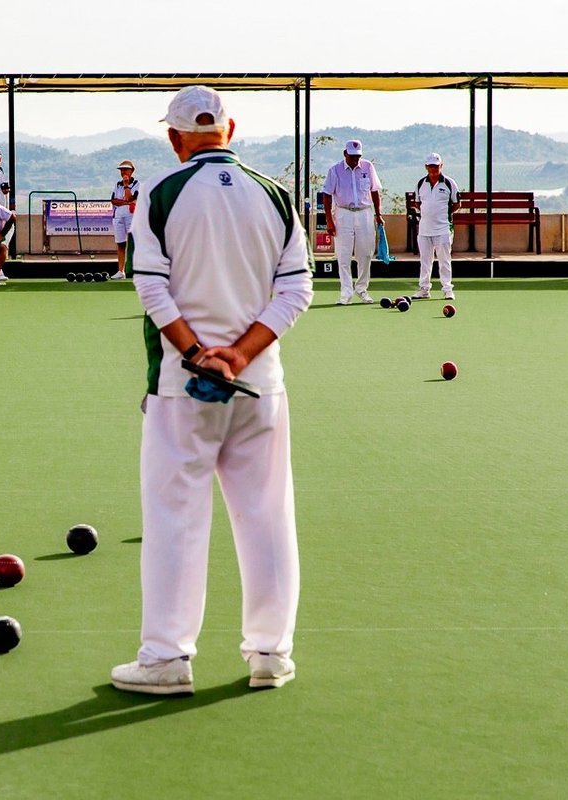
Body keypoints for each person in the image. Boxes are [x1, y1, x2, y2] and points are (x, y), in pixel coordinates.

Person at [111, 86, 313, 696]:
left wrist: (200, 355)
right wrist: (242, 355)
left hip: (183, 387)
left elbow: (150, 287)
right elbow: (297, 289)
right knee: (268, 517)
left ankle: (166, 659)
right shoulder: (273, 193)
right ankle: (271, 654)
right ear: (231, 129)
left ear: (175, 138)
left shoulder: (160, 192)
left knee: (175, 519)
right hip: (260, 387)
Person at [321, 138, 382, 305]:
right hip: (343, 213)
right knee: (343, 255)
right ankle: (346, 292)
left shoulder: (368, 167)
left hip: (364, 212)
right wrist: (329, 220)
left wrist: (378, 214)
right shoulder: (335, 170)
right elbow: (326, 195)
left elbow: (375, 191)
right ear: (345, 154)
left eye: (358, 156)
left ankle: (361, 289)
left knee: (366, 254)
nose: (355, 159)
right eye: (352, 156)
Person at [410, 153, 459, 300]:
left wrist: (443, 215)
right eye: (431, 166)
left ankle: (447, 289)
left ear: (441, 166)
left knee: (444, 260)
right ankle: (424, 289)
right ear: (426, 167)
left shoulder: (449, 183)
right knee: (425, 261)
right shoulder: (420, 183)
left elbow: (456, 204)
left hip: (443, 228)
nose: (434, 169)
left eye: (436, 166)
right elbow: (417, 203)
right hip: (424, 229)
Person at [110, 159, 139, 279]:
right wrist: (126, 202)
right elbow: (113, 200)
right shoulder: (117, 184)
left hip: (131, 215)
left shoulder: (136, 184)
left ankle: (135, 269)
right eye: (122, 170)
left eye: (126, 169)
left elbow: (130, 198)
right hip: (118, 215)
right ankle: (120, 271)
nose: (123, 172)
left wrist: (126, 185)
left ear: (132, 171)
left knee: (133, 242)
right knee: (120, 243)